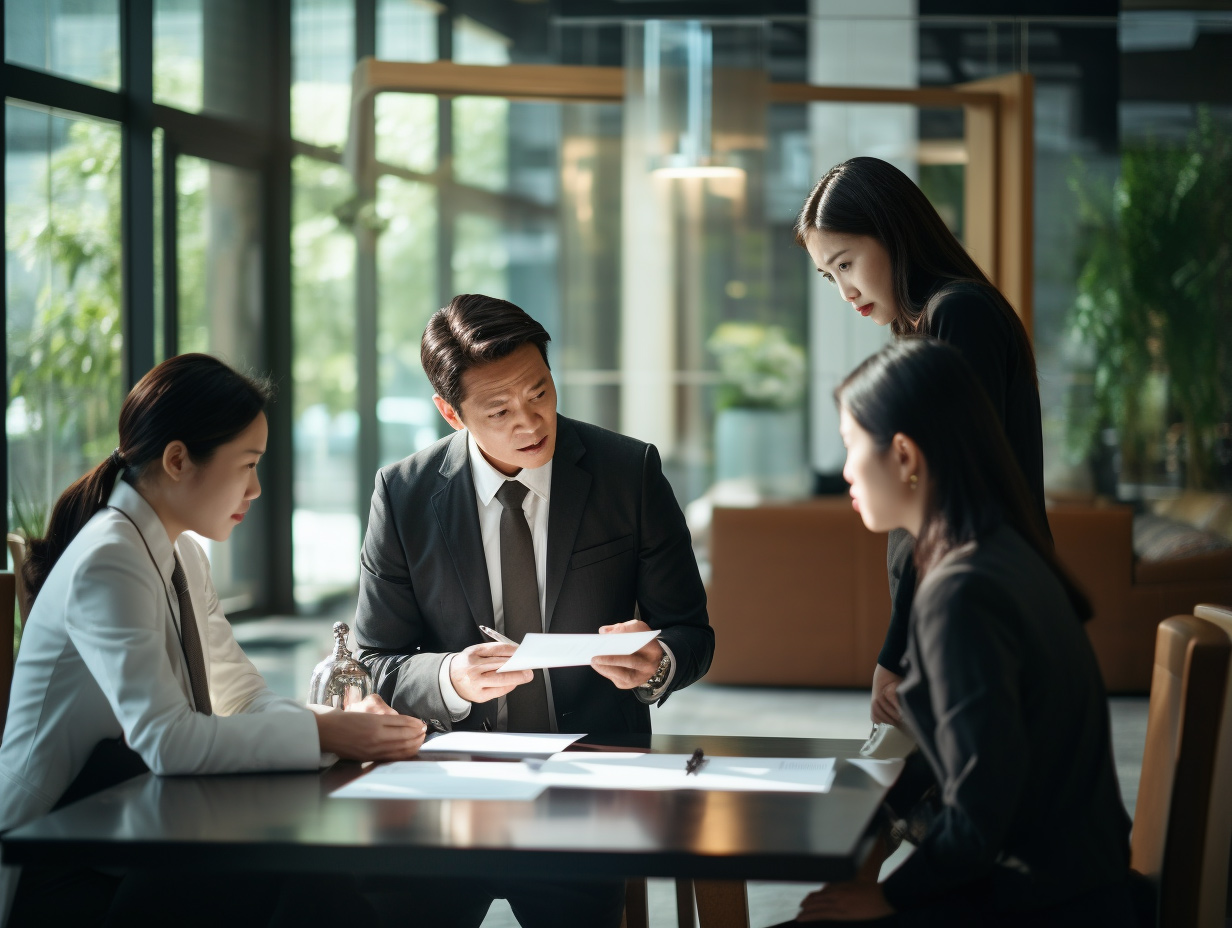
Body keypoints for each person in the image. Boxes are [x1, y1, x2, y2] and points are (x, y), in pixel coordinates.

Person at [0, 353, 427, 927]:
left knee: (307, 879)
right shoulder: (110, 559)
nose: (255, 489)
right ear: (178, 460)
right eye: (246, 464)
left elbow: (240, 692)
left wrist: (336, 729)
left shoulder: (179, 552)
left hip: (135, 834)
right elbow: (169, 744)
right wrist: (326, 731)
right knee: (301, 879)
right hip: (63, 862)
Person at [353, 293, 714, 928]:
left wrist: (658, 663)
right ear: (450, 411)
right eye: (498, 410)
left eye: (540, 392)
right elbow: (374, 660)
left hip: (587, 789)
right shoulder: (404, 493)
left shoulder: (628, 472)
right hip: (445, 786)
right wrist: (451, 679)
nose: (531, 421)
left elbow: (691, 630)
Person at [772, 338, 1133, 927]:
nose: (844, 472)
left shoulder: (961, 594)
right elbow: (981, 764)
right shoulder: (1002, 554)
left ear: (906, 456)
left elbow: (980, 810)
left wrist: (891, 897)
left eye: (850, 445)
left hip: (1038, 905)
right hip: (1078, 886)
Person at [795, 156, 1050, 730]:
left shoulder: (960, 313)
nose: (844, 290)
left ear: (892, 233)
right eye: (829, 275)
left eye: (846, 263)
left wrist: (896, 650)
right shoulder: (930, 321)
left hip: (983, 601)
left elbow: (947, 489)